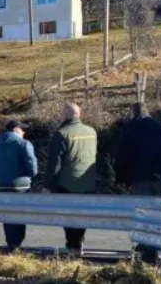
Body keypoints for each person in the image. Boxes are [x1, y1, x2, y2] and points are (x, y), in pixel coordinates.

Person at [116, 102, 161, 263]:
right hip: (160, 178)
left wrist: (121, 178)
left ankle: (147, 248)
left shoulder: (129, 130)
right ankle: (154, 245)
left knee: (143, 212)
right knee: (158, 213)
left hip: (139, 177)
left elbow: (122, 156)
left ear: (133, 113)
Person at [46, 102, 98, 255]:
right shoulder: (92, 131)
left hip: (67, 183)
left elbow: (54, 163)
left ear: (67, 115)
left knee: (68, 217)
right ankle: (80, 243)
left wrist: (49, 185)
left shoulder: (62, 133)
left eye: (62, 113)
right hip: (88, 183)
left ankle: (73, 247)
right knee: (82, 216)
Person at [0, 120, 37, 252]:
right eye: (22, 130)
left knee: (7, 217)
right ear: (16, 130)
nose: (24, 133)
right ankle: (17, 246)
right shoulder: (24, 144)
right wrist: (30, 175)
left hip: (2, 186)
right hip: (21, 187)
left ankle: (11, 245)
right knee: (20, 216)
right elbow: (32, 167)